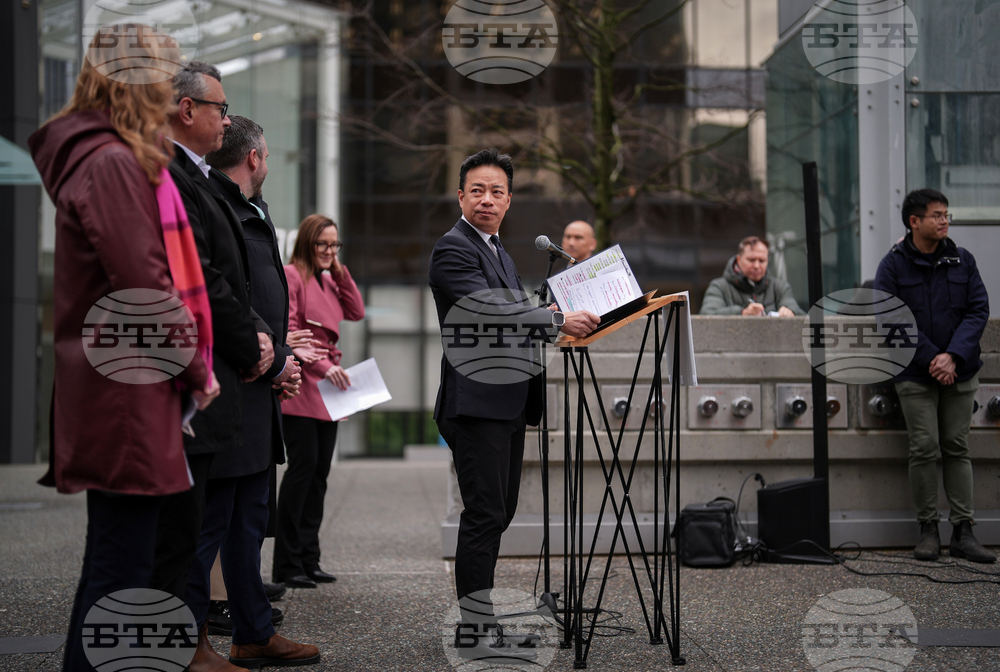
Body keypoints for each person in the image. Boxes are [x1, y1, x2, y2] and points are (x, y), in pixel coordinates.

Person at [27, 25, 219, 671]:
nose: (171, 94)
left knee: (121, 562)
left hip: (122, 385)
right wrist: (196, 369)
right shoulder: (112, 162)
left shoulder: (101, 155)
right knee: (120, 569)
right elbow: (143, 284)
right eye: (163, 78)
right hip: (128, 390)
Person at [429, 148, 600, 662]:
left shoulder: (499, 251)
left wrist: (557, 316)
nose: (487, 199)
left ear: (509, 200)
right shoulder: (452, 249)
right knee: (483, 514)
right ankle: (474, 629)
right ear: (461, 196)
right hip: (475, 402)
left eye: (497, 191)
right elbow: (490, 311)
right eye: (477, 189)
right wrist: (552, 321)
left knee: (497, 513)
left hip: (505, 401)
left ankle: (478, 615)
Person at [189, 114, 316, 667]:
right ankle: (189, 645)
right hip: (230, 389)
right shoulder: (215, 205)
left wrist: (283, 361)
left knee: (247, 523)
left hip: (259, 389)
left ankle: (253, 634)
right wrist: (271, 362)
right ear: (256, 158)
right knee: (208, 527)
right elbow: (222, 300)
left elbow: (261, 303)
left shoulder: (248, 209)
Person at [874, 189, 994, 564]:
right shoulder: (892, 266)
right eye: (937, 215)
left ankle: (963, 531)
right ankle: (928, 530)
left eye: (947, 215)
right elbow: (889, 318)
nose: (944, 221)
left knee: (957, 448)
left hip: (960, 370)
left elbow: (979, 310)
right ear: (914, 221)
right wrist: (933, 359)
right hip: (914, 371)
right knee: (923, 447)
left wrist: (953, 356)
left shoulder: (963, 260)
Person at [273, 214, 365, 589]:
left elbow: (356, 311)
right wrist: (326, 366)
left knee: (319, 477)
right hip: (302, 383)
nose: (329, 251)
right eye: (323, 244)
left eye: (335, 245)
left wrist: (339, 270)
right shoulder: (292, 274)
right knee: (302, 471)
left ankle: (309, 559)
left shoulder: (328, 280)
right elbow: (292, 331)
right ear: (307, 243)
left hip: (327, 387)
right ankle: (286, 563)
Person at [700, 236, 805, 316]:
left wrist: (790, 312)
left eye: (762, 261)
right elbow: (706, 315)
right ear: (739, 260)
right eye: (751, 260)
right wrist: (742, 312)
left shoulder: (780, 287)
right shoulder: (719, 287)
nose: (756, 266)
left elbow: (801, 315)